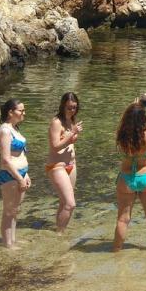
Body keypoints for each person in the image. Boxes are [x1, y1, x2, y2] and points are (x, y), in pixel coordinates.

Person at [113, 93, 146, 252]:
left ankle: (116, 252)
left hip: (126, 179)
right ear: (143, 118)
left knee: (123, 220)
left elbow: (123, 122)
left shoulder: (122, 136)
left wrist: (132, 107)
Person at [46, 92, 83, 233]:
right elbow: (55, 146)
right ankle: (59, 235)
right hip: (57, 166)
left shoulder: (71, 120)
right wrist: (71, 133)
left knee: (64, 201)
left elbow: (68, 142)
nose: (72, 110)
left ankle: (60, 229)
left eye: (74, 107)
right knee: (70, 203)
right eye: (69, 107)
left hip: (71, 165)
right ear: (62, 106)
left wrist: (73, 135)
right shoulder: (56, 122)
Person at [0, 99, 31, 249]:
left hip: (21, 174)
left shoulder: (15, 128)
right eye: (21, 110)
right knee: (9, 210)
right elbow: (5, 159)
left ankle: (13, 240)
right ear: (11, 112)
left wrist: (26, 175)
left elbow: (20, 155)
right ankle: (7, 244)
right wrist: (19, 178)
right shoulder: (5, 130)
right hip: (10, 175)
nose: (24, 113)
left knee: (15, 210)